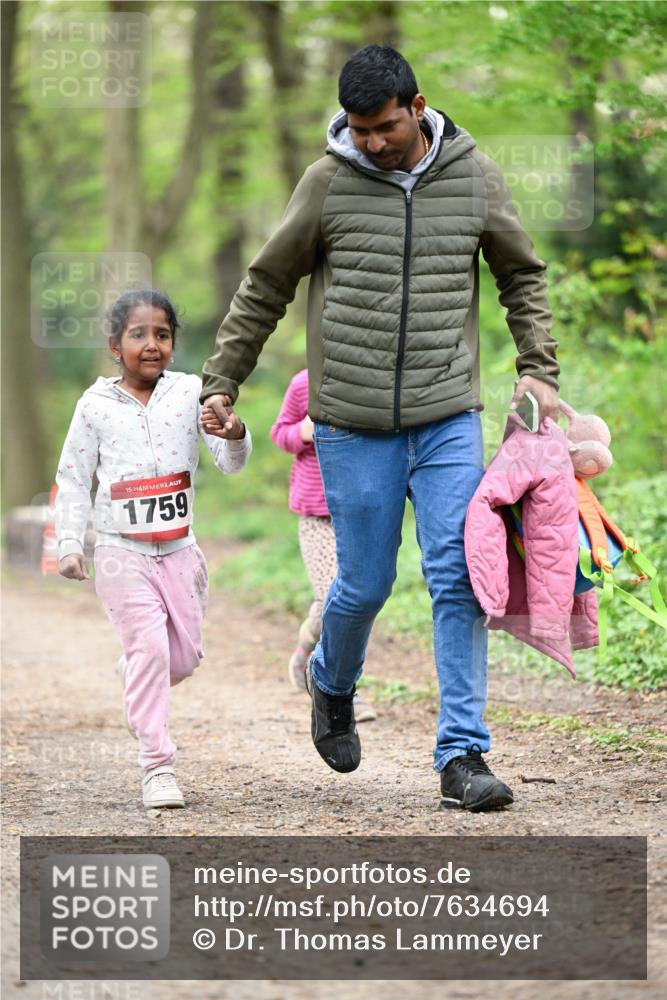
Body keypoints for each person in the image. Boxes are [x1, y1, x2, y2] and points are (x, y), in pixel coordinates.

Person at [200, 45, 560, 812]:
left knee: (456, 577)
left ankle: (461, 755)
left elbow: (520, 275)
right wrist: (222, 381)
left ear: (417, 106)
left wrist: (538, 368)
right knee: (361, 585)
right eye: (360, 130)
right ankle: (330, 683)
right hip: (351, 422)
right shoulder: (327, 182)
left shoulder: (473, 175)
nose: (372, 143)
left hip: (446, 416)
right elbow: (266, 283)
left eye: (385, 127)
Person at [55, 289, 251, 810]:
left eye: (161, 334)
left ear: (173, 343)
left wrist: (233, 432)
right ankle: (157, 766)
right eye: (138, 334)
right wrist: (70, 543)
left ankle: (137, 670)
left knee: (181, 659)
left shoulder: (190, 393)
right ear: (115, 347)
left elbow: (230, 460)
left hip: (180, 550)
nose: (151, 344)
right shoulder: (94, 405)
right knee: (150, 647)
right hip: (121, 551)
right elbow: (73, 479)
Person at [270, 368, 376, 722]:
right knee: (334, 595)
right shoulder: (304, 382)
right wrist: (304, 431)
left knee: (360, 598)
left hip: (360, 510)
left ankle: (307, 647)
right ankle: (346, 691)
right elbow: (279, 433)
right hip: (317, 515)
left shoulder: (370, 381)